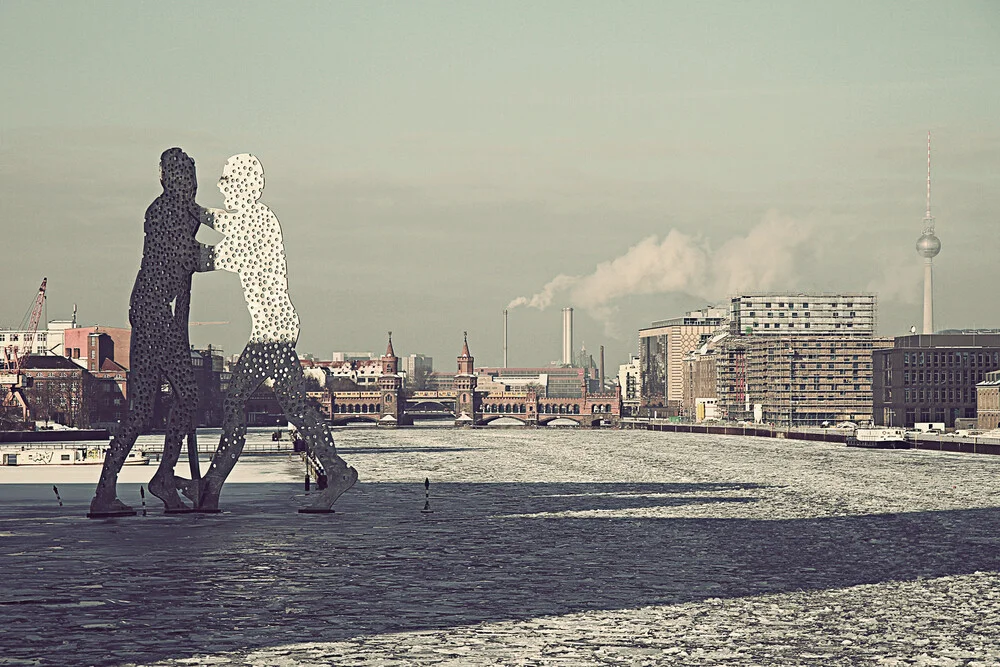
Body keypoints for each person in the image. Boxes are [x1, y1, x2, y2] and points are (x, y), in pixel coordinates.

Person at [194, 153, 357, 511]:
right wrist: (195, 214)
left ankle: (211, 487)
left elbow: (214, 257)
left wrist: (185, 224)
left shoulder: (258, 219)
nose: (223, 187)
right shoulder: (255, 219)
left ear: (247, 186)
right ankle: (336, 470)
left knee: (237, 402)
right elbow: (223, 229)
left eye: (228, 181)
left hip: (272, 332)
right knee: (295, 407)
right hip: (276, 326)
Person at [89, 148, 214, 516]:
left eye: (191, 174)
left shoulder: (182, 209)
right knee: (187, 397)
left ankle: (105, 493)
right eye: (184, 175)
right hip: (154, 313)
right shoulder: (166, 211)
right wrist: (239, 255)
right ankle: (162, 477)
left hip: (152, 313)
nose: (190, 181)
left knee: (140, 409)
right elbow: (186, 256)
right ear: (171, 178)